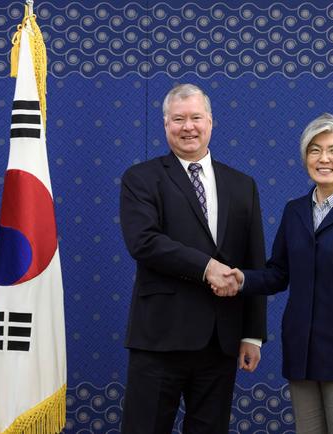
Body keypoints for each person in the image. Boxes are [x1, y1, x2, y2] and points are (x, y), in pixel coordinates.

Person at [214, 113, 333, 434]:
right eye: (314, 150)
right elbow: (279, 273)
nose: (323, 158)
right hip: (301, 351)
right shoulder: (294, 210)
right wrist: (243, 279)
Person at [119, 83, 267, 433]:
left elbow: (254, 260)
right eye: (178, 119)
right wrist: (206, 268)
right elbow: (143, 242)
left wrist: (253, 334)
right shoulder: (141, 178)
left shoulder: (242, 184)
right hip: (159, 338)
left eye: (196, 118)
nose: (189, 127)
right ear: (166, 125)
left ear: (211, 122)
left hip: (221, 340)